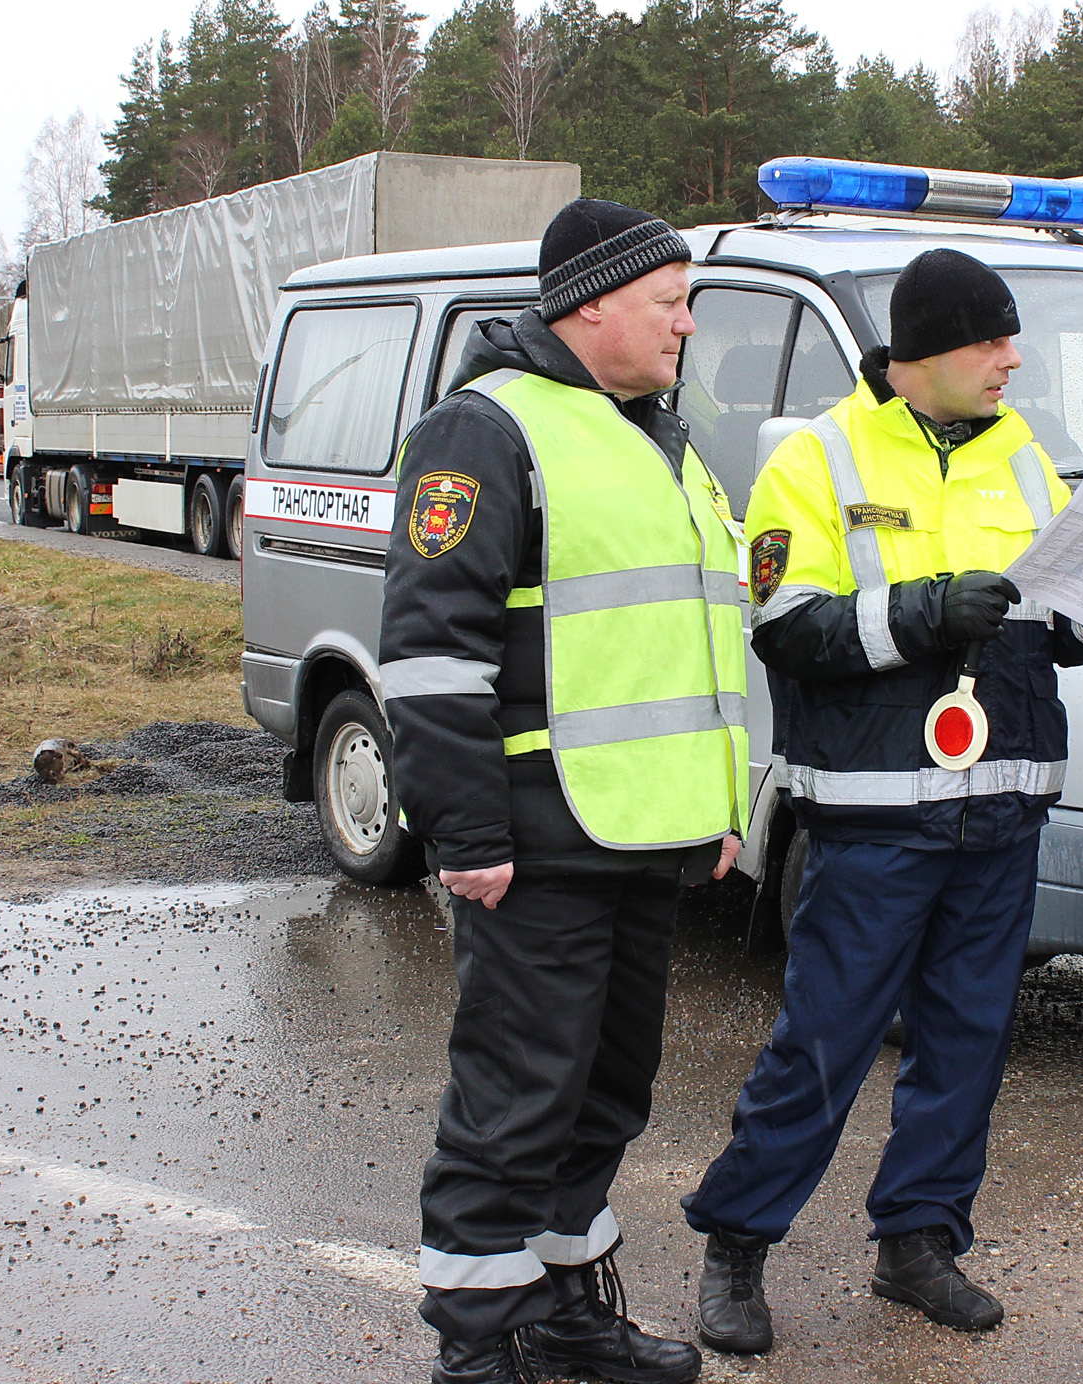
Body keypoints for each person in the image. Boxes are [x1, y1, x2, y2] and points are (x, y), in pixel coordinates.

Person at [681, 249, 1083, 1355]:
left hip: (1001, 812)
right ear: (924, 354)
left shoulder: (1023, 455)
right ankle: (735, 1244)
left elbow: (1057, 625)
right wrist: (920, 611)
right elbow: (783, 625)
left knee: (966, 1042)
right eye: (990, 340)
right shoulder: (818, 457)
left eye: (1010, 339)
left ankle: (919, 1242)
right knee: (824, 1041)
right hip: (873, 817)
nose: (1012, 358)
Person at [381, 198, 749, 1384]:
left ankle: (565, 1311)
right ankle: (479, 1349)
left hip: (645, 835)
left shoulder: (658, 435)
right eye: (668, 302)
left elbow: (687, 642)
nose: (687, 324)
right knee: (514, 1103)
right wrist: (466, 829)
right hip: (535, 845)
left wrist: (721, 809)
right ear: (593, 301)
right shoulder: (483, 431)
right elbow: (433, 655)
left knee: (605, 1098)